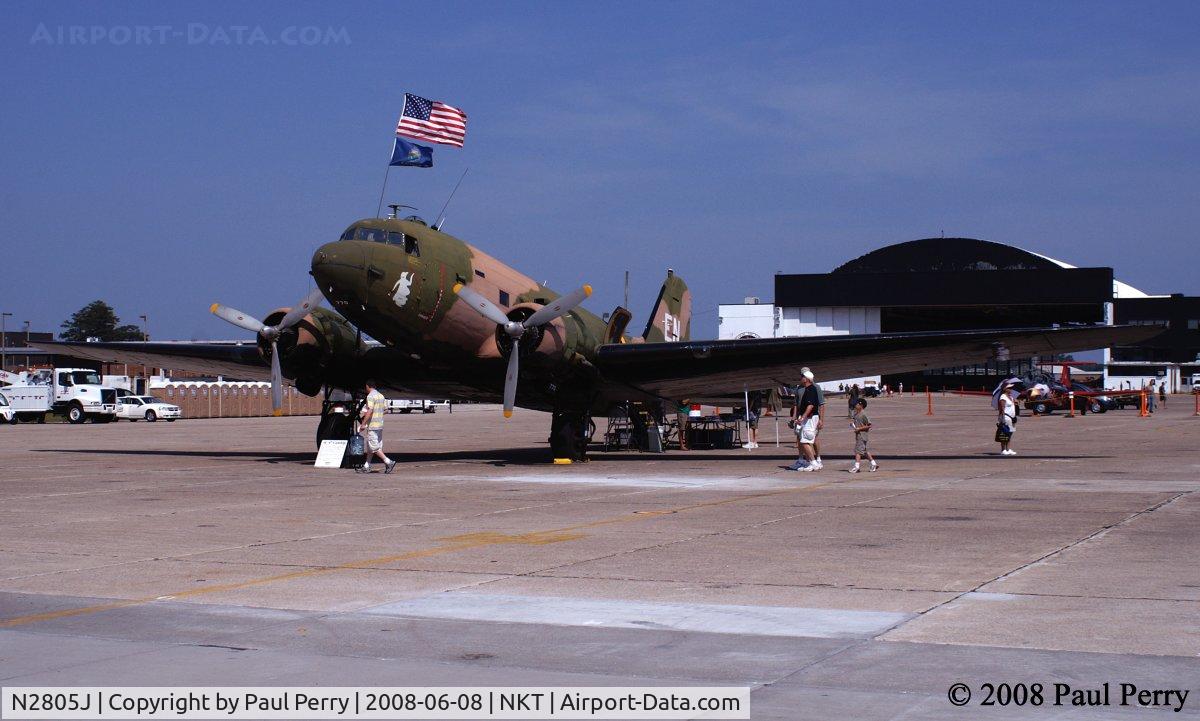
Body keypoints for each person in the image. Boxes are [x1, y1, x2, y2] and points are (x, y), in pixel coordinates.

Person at [357, 380, 396, 474]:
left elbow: (369, 410)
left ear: (368, 386)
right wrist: (378, 414)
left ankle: (388, 462)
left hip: (373, 425)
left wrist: (363, 424)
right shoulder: (381, 396)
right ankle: (367, 466)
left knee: (374, 447)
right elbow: (386, 410)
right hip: (380, 425)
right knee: (371, 446)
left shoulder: (370, 396)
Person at [788, 370, 821, 471]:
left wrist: (802, 417)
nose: (801, 378)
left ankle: (813, 462)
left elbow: (810, 405)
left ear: (806, 379)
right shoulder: (808, 389)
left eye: (802, 377)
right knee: (804, 440)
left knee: (805, 440)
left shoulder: (811, 390)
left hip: (809, 418)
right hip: (808, 418)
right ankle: (809, 462)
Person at [848, 397, 878, 473]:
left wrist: (859, 429)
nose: (855, 405)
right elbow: (857, 423)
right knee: (864, 451)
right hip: (859, 435)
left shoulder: (863, 414)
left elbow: (869, 425)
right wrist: (853, 425)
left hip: (862, 435)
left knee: (857, 452)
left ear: (861, 405)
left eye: (857, 404)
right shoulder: (856, 414)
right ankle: (873, 464)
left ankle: (856, 467)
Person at [997, 382, 1018, 456]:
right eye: (1009, 388)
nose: (1011, 389)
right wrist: (1002, 419)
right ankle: (1003, 450)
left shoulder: (1011, 397)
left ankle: (1008, 449)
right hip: (1006, 417)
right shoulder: (1003, 397)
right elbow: (1002, 408)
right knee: (1004, 433)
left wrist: (1015, 402)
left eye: (1011, 388)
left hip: (1012, 418)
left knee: (1010, 433)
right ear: (1005, 389)